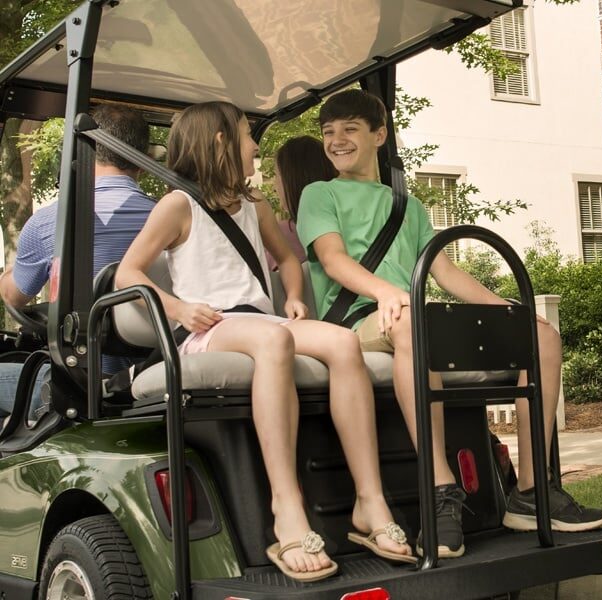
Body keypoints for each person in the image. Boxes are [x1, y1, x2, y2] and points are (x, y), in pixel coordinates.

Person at [297, 89, 602, 559]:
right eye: (329, 133)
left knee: (541, 336)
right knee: (414, 326)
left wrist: (505, 309)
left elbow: (444, 271)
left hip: (407, 315)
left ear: (379, 135)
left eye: (350, 130)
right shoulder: (319, 194)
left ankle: (530, 490)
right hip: (361, 320)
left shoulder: (410, 207)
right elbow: (333, 260)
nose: (337, 140)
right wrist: (385, 291)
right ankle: (442, 494)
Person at [116, 101, 412, 582]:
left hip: (261, 322)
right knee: (276, 344)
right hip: (210, 328)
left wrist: (294, 296)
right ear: (220, 142)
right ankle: (286, 506)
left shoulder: (255, 205)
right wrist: (179, 309)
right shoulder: (177, 204)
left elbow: (288, 260)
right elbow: (128, 273)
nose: (256, 145)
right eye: (247, 135)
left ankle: (369, 501)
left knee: (341, 343)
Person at [0, 104, 155, 421]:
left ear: (87, 149)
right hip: (153, 376)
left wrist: (9, 274)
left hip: (79, 384)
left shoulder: (49, 221)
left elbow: (14, 298)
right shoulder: (172, 219)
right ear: (144, 157)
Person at [266, 135, 336, 270]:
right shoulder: (345, 229)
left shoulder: (276, 235)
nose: (274, 186)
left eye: (276, 175)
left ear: (292, 180)